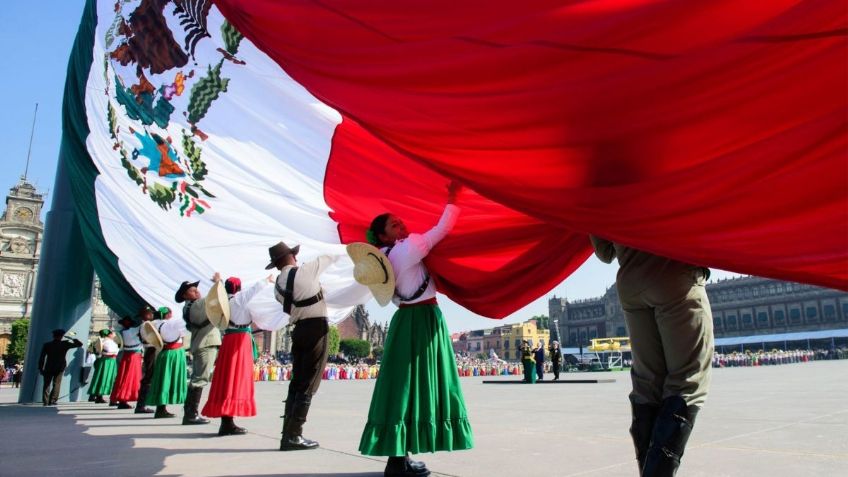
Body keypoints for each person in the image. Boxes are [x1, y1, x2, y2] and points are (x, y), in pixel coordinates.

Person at [356, 181, 473, 477]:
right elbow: (442, 229)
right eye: (395, 224)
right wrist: (453, 198)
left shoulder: (382, 262)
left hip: (405, 321)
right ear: (383, 235)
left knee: (403, 387)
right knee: (415, 386)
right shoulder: (406, 250)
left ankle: (399, 457)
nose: (402, 224)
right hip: (423, 319)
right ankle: (397, 463)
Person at [590, 236, 714, 477]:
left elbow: (605, 253)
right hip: (675, 274)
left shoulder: (600, 194)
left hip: (631, 285)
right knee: (687, 380)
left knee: (647, 386)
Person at [268, 242, 335, 451]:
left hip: (298, 329)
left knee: (297, 382)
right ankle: (294, 436)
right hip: (316, 328)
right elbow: (331, 255)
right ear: (291, 257)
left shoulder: (277, 286)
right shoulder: (305, 271)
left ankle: (287, 433)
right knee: (309, 382)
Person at [202, 275, 273, 436]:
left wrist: (217, 283)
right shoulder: (239, 300)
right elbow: (254, 290)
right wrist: (266, 280)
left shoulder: (224, 302)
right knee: (236, 379)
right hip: (240, 340)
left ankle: (226, 421)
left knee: (227, 379)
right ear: (239, 288)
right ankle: (228, 423)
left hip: (228, 339)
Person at [176, 273, 222, 425]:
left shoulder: (191, 306)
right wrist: (218, 282)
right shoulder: (195, 305)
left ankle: (190, 412)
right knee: (199, 379)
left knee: (198, 377)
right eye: (191, 290)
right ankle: (190, 414)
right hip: (205, 343)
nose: (196, 291)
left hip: (202, 343)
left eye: (196, 288)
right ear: (185, 295)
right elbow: (215, 298)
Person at [146, 307, 189, 418]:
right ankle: (163, 409)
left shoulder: (156, 325)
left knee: (163, 380)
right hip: (175, 353)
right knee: (171, 379)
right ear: (169, 314)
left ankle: (161, 407)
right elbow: (184, 337)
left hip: (164, 352)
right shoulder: (173, 324)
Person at [38, 329, 83, 405]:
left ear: (53, 336)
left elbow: (42, 357)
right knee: (57, 384)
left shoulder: (47, 345)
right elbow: (79, 344)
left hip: (49, 366)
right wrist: (71, 338)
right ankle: (52, 400)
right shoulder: (65, 344)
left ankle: (45, 401)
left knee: (46, 384)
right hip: (60, 367)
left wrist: (40, 368)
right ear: (62, 336)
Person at [110, 316, 144, 409]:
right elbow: (144, 325)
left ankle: (121, 398)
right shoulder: (133, 331)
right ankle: (123, 398)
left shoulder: (121, 332)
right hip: (133, 356)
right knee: (129, 378)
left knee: (123, 377)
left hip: (127, 355)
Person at [135, 306, 157, 414]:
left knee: (148, 377)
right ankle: (141, 405)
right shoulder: (147, 325)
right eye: (149, 313)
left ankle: (141, 404)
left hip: (151, 350)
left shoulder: (145, 325)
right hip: (151, 350)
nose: (152, 315)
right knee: (148, 378)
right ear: (146, 315)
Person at [88, 329, 119, 404]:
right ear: (108, 335)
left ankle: (97, 396)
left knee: (102, 377)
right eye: (111, 333)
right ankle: (99, 396)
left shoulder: (105, 341)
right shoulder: (106, 342)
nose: (113, 334)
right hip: (107, 361)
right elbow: (111, 351)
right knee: (104, 377)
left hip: (109, 361)